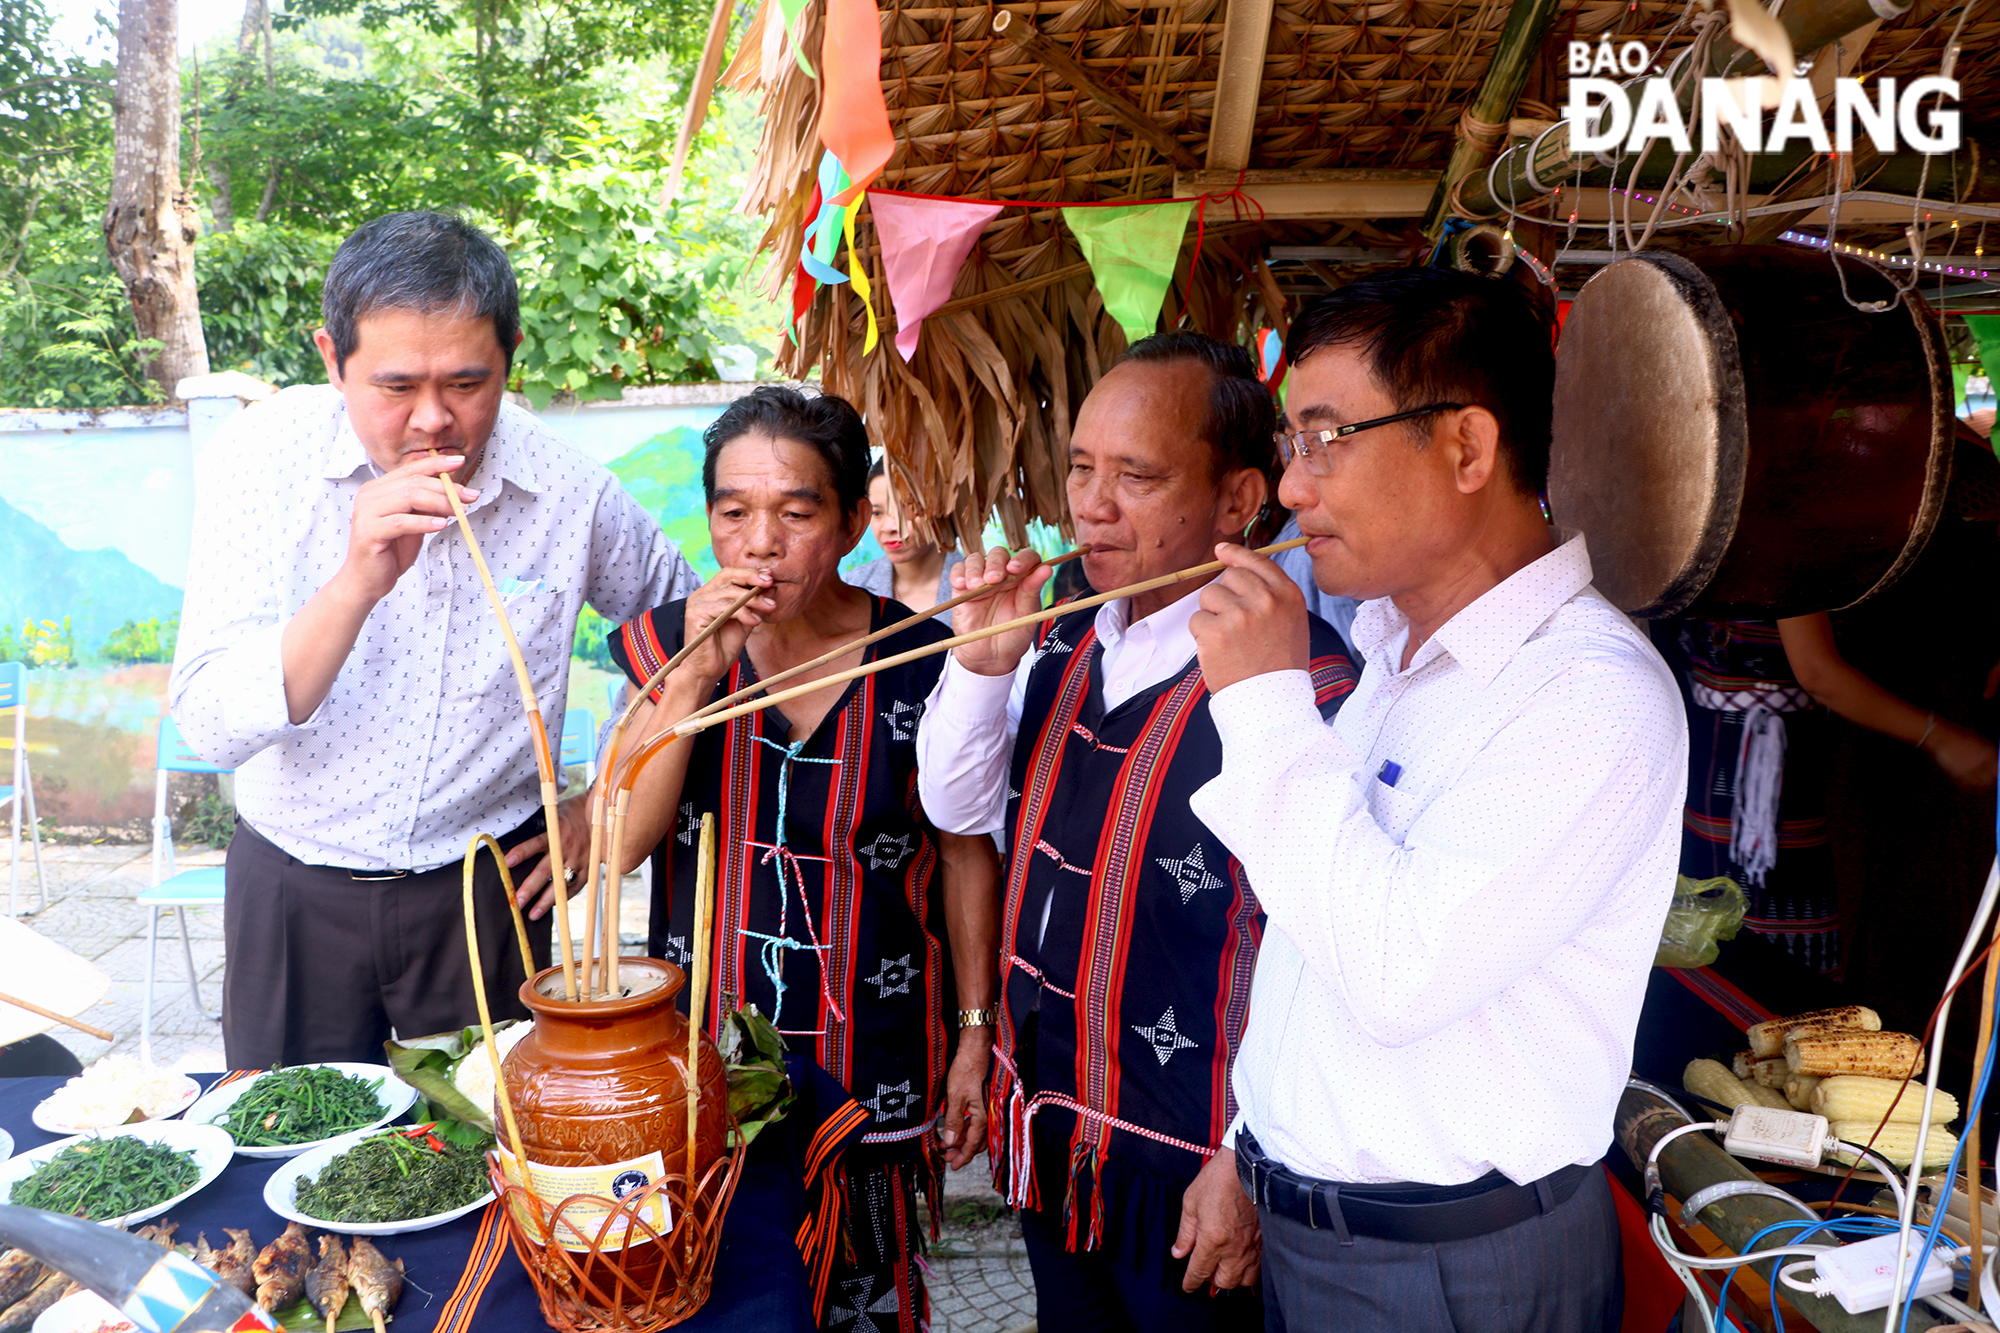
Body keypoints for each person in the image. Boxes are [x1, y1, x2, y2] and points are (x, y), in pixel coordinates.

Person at [1184, 268, 1686, 1331]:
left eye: (1327, 438)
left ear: (1464, 445)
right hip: (1320, 1231)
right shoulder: (1394, 651)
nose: (1290, 487)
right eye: (1291, 442)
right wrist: (1249, 1141)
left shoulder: (1590, 693)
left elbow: (1397, 972)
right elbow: (1319, 936)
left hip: (1454, 1265)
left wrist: (1268, 703)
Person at [170, 211, 698, 1070]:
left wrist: (602, 806)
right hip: (292, 888)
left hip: (489, 889)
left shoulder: (568, 491)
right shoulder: (263, 460)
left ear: (510, 356)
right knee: (289, 1150)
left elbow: (687, 634)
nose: (433, 419)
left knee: (497, 1157)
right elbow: (211, 726)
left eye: (466, 382)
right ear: (331, 360)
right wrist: (356, 582)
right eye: (394, 385)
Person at [915, 332, 1359, 1333]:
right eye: (1080, 468)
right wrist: (982, 663)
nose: (1092, 505)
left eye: (1137, 476)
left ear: (1239, 499)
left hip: (1195, 1171)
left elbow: (1327, 954)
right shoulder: (1063, 627)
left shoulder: (1303, 683)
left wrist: (1248, 1155)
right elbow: (957, 812)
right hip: (1054, 1133)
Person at [599, 386, 1001, 1333]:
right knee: (720, 1291)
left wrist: (977, 1030)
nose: (761, 542)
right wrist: (697, 669)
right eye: (734, 512)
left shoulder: (926, 659)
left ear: (856, 518)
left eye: (797, 511)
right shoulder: (671, 647)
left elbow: (964, 853)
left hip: (877, 1046)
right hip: (709, 1058)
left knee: (863, 1296)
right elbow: (617, 841)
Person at [1660, 612, 1997, 974]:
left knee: (1722, 927)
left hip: (1715, 759)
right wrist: (1941, 738)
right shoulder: (1780, 556)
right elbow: (1817, 673)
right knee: (1771, 947)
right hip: (1764, 780)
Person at [844, 459, 966, 622]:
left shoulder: (976, 587)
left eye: (906, 511)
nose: (889, 527)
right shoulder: (851, 587)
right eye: (877, 513)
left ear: (940, 509)